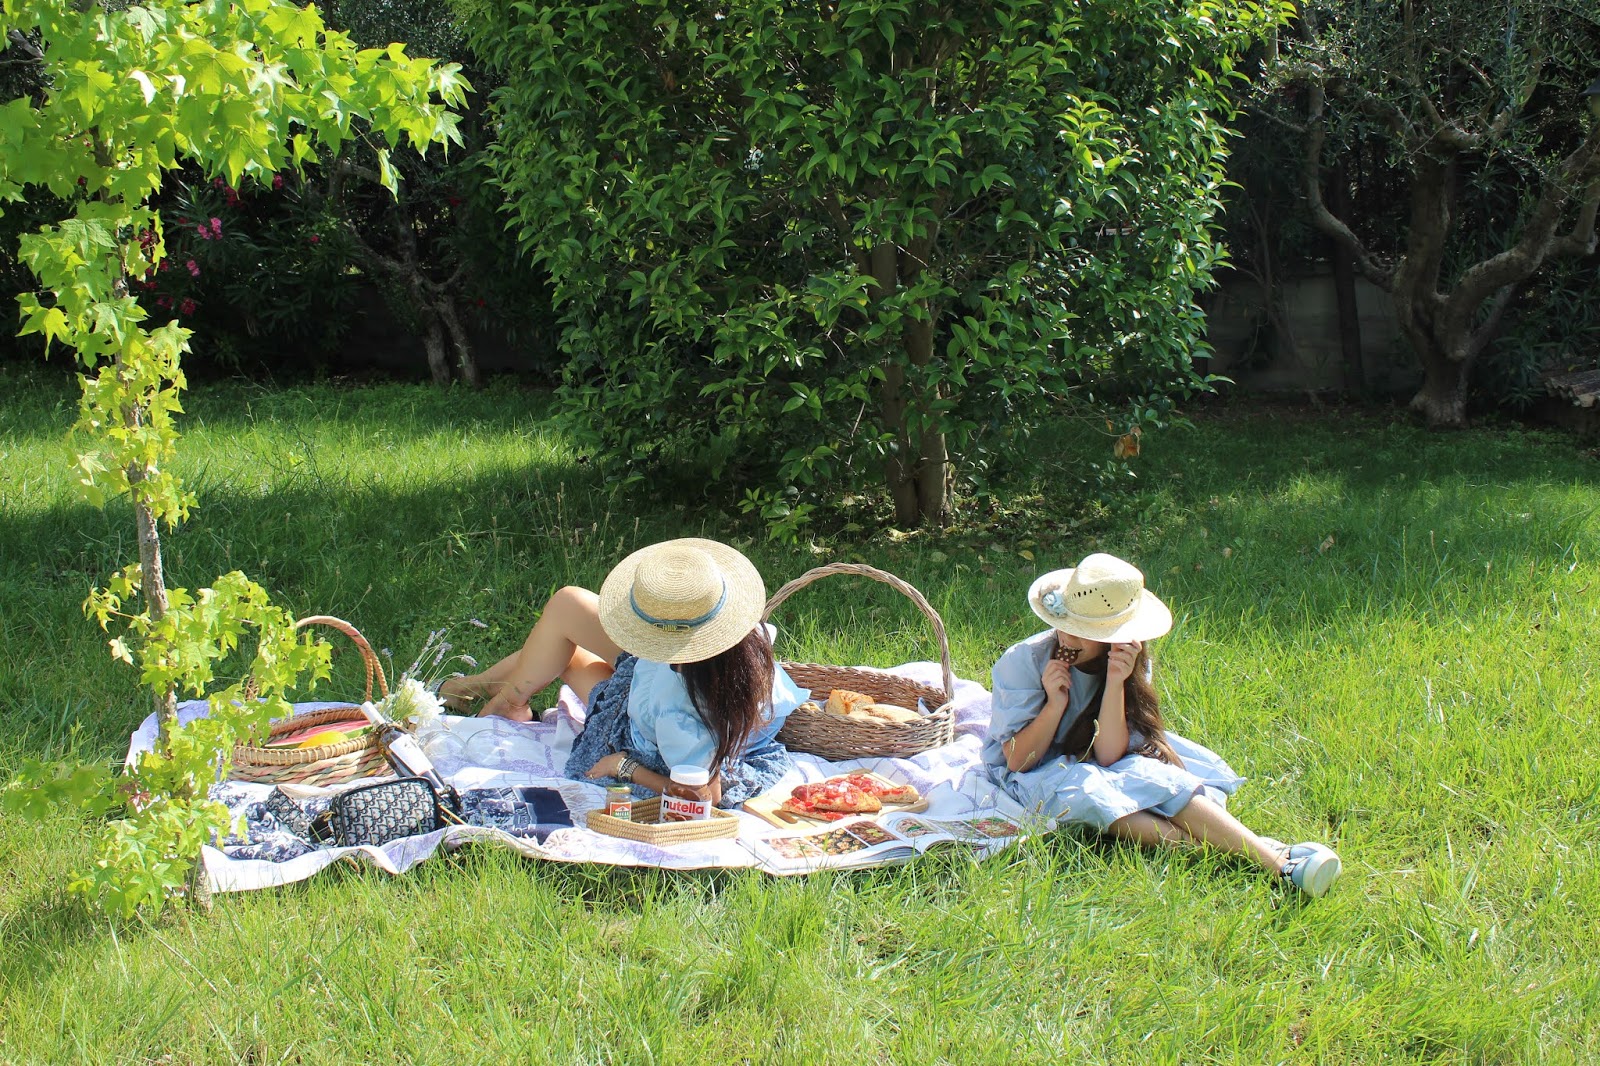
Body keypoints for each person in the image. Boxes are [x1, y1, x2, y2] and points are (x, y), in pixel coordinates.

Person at [984, 552, 1342, 896]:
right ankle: (1264, 858)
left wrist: (1114, 683)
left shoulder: (1126, 661)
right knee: (1091, 793)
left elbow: (1109, 755)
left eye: (1081, 630)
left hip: (1097, 753)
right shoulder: (1024, 661)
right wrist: (1055, 703)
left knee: (1157, 778)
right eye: (1066, 625)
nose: (1066, 637)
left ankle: (1275, 864)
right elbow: (1018, 760)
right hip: (1034, 770)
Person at [439, 538, 805, 808]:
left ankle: (498, 699)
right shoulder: (737, 636)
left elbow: (702, 795)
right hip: (680, 668)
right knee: (568, 605)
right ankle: (483, 691)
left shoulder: (681, 709)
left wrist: (625, 766)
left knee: (566, 657)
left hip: (669, 708)